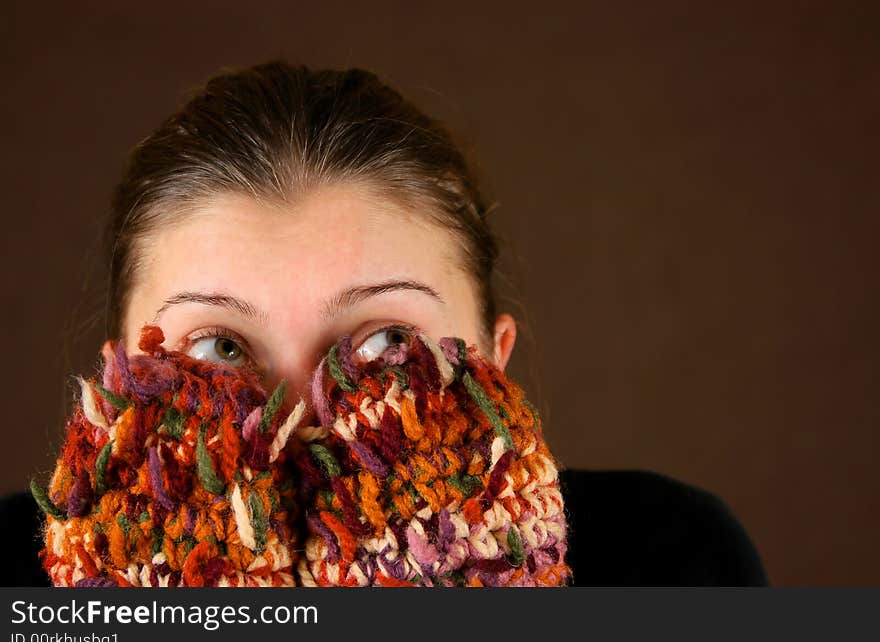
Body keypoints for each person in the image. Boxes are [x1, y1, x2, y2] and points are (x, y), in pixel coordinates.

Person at [0, 61, 767, 586]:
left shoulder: (672, 557)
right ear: (115, 380)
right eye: (219, 346)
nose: (299, 414)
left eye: (383, 342)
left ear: (494, 365)